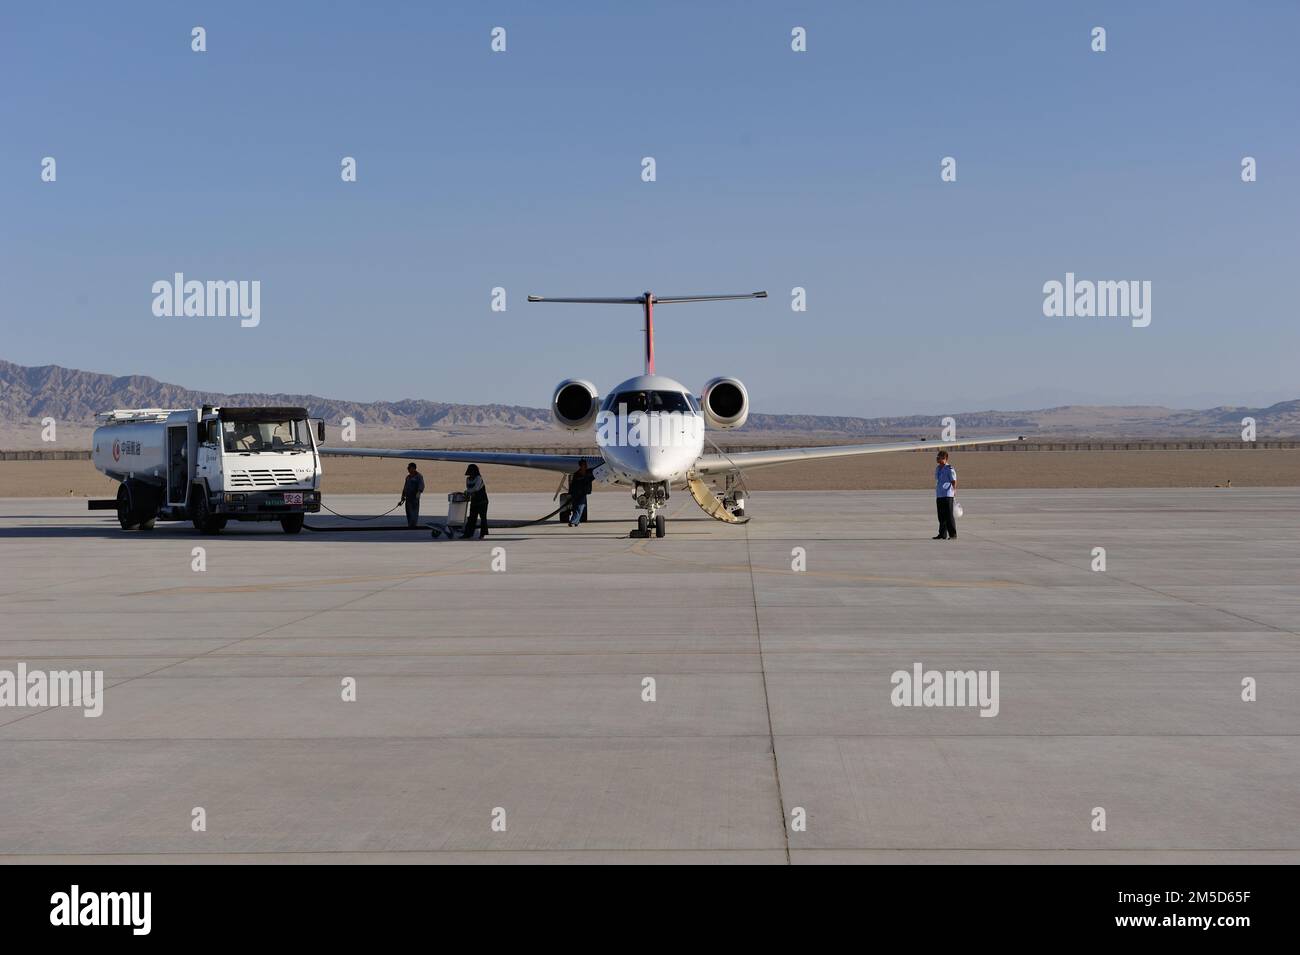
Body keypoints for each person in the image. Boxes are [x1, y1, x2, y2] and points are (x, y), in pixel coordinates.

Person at [933, 450, 958, 540]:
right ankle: (942, 534)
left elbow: (954, 481)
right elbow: (937, 479)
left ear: (945, 458)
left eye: (939, 457)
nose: (937, 458)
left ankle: (953, 534)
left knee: (949, 516)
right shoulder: (938, 468)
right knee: (941, 515)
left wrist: (954, 491)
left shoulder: (949, 469)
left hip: (948, 495)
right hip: (940, 494)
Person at [462, 464, 489, 539]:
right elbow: (469, 488)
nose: (471, 474)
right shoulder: (468, 479)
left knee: (483, 518)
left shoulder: (478, 478)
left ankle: (482, 534)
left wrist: (467, 491)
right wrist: (467, 493)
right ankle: (468, 534)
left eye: (472, 471)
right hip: (474, 501)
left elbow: (476, 488)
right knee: (471, 518)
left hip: (482, 501)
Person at [568, 459, 594, 527]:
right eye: (584, 465)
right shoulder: (577, 475)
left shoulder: (588, 472)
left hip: (582, 493)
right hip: (576, 494)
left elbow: (594, 473)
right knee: (578, 508)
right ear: (581, 466)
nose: (585, 466)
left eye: (586, 465)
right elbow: (574, 485)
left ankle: (576, 522)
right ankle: (573, 522)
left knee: (579, 508)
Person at [399, 463, 424, 529]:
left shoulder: (419, 476)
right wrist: (402, 497)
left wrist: (419, 492)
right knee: (408, 512)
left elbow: (421, 485)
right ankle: (410, 525)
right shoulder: (408, 477)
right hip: (408, 498)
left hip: (415, 498)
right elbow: (405, 487)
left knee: (414, 512)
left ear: (413, 468)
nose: (408, 469)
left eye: (409, 467)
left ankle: (413, 525)